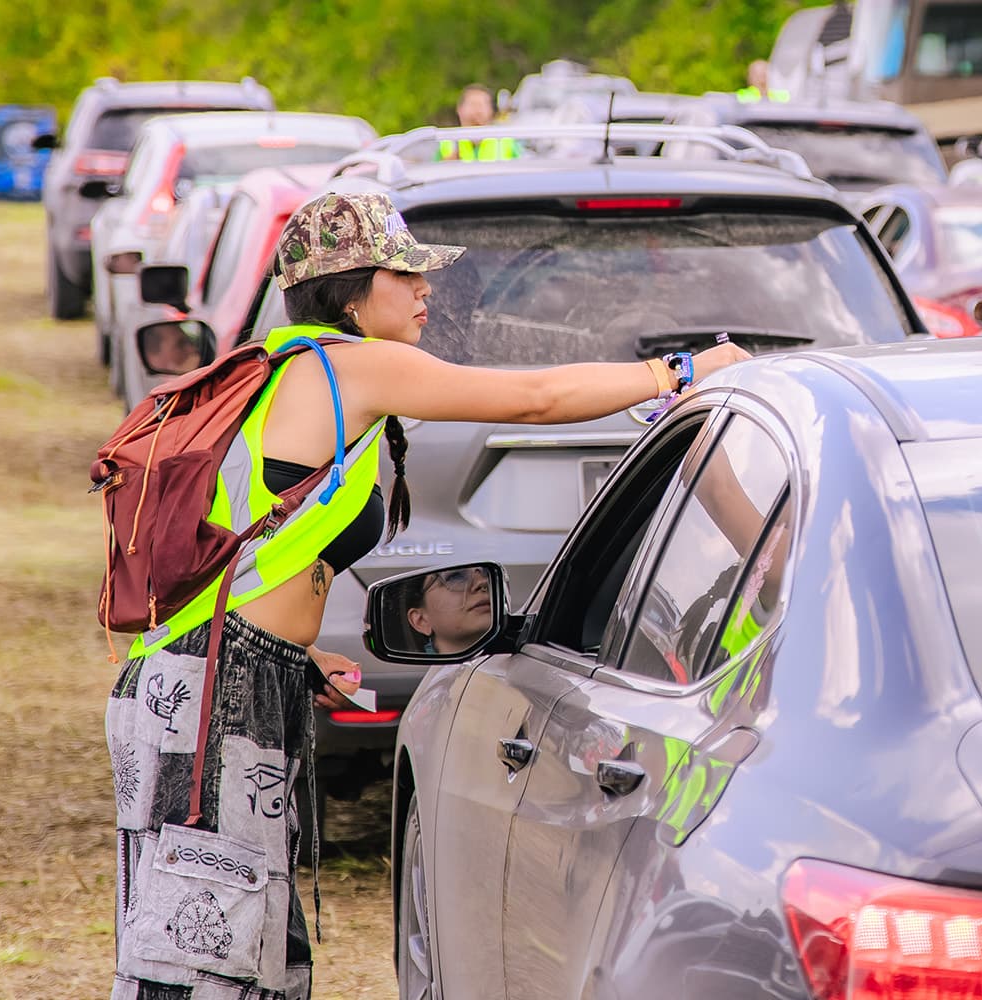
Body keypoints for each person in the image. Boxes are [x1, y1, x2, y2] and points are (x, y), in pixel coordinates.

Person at [105, 190, 748, 999]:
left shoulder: (302, 371)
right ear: (349, 289)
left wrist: (295, 647)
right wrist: (679, 371)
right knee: (207, 950)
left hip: (214, 675)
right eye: (403, 274)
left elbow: (252, 549)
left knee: (227, 937)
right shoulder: (350, 365)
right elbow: (534, 399)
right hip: (211, 688)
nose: (425, 290)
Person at [438, 84, 518, 161]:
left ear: (491, 110)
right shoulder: (446, 143)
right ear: (459, 109)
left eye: (482, 105)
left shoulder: (506, 141)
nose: (477, 110)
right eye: (472, 104)